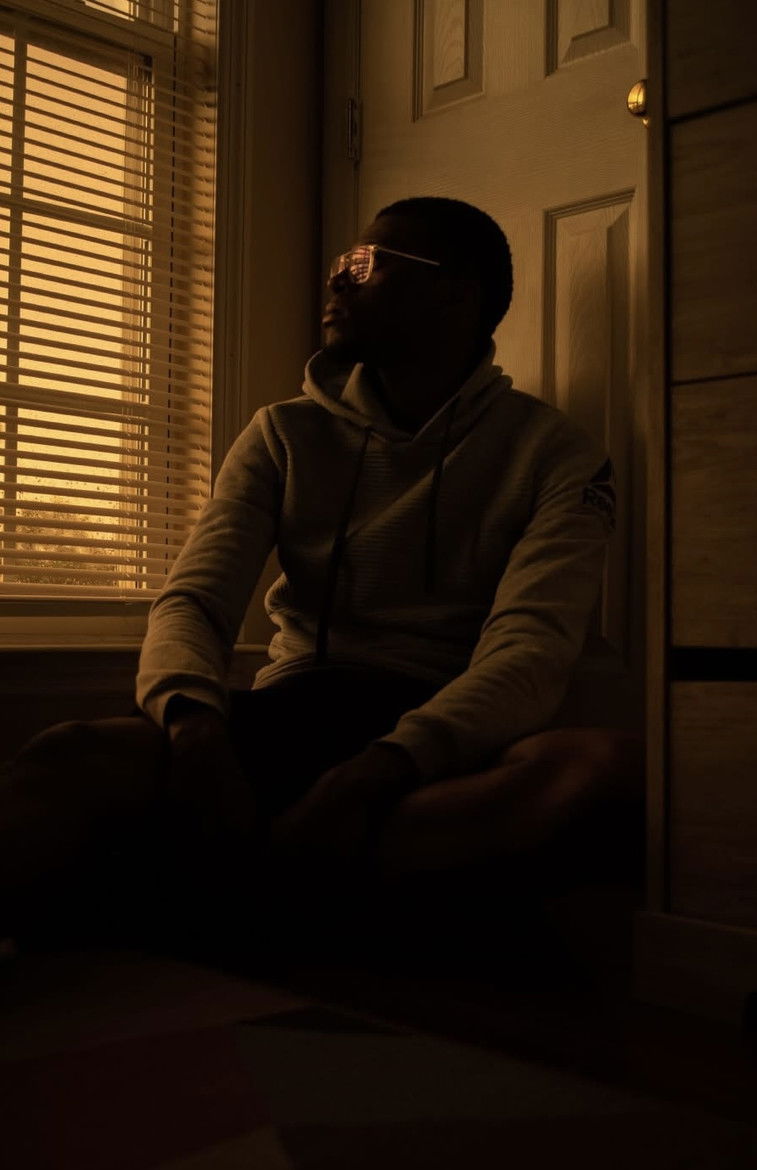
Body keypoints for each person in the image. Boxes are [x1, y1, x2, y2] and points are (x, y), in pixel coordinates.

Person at [0, 197, 643, 975]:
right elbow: (195, 600)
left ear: (455, 293)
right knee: (67, 758)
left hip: (436, 741)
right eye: (342, 264)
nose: (337, 282)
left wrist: (373, 774)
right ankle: (318, 903)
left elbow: (530, 654)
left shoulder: (555, 453)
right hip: (292, 711)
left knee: (604, 771)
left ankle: (235, 901)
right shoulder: (282, 433)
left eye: (365, 267)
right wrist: (196, 734)